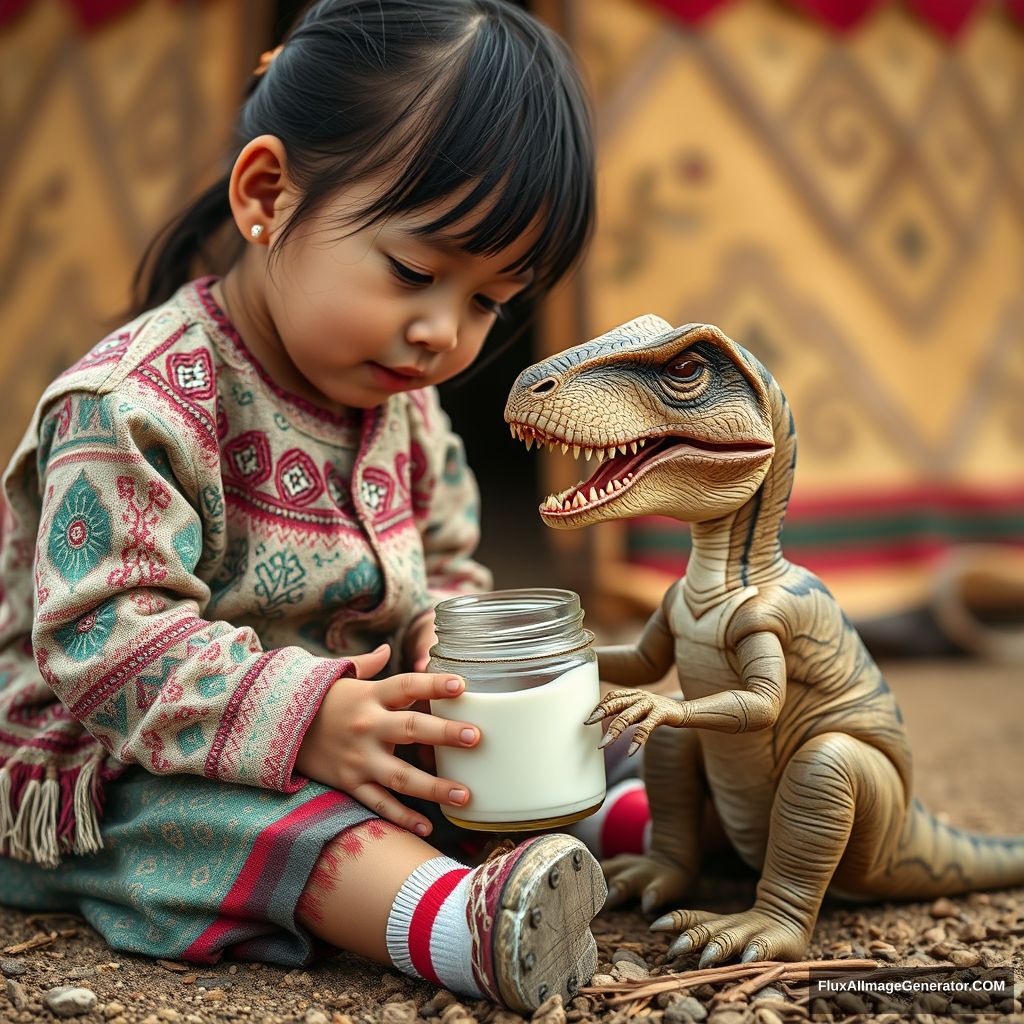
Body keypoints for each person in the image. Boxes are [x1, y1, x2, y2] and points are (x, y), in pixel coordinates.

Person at [0, 1, 611, 1011]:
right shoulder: (134, 406)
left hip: (343, 731)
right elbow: (101, 634)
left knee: (549, 737)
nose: (441, 334)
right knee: (277, 828)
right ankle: (457, 927)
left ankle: (641, 827)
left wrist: (441, 670)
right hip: (121, 771)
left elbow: (448, 558)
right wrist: (306, 716)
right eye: (414, 270)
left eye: (487, 301)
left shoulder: (402, 408)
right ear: (268, 194)